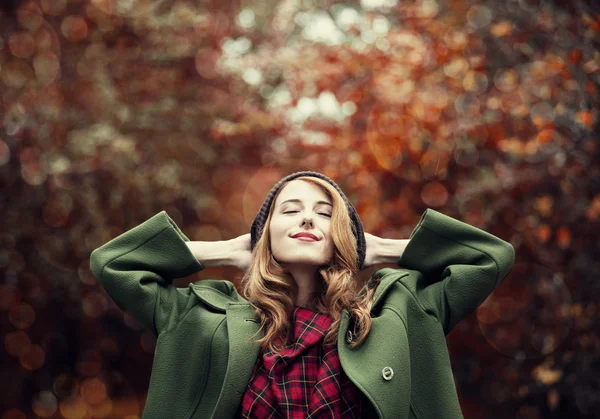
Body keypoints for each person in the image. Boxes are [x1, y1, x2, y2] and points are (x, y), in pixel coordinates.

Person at [90, 170, 515, 419]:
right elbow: (113, 264)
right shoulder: (201, 317)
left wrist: (382, 248)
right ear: (265, 234)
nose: (308, 217)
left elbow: (491, 259)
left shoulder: (400, 311)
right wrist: (223, 251)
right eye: (289, 210)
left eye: (326, 214)